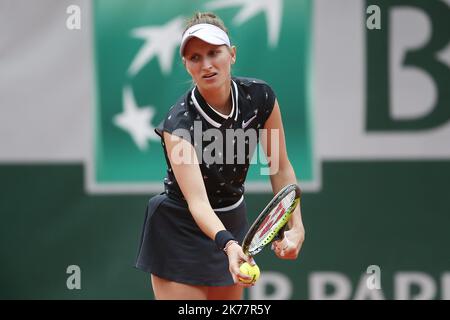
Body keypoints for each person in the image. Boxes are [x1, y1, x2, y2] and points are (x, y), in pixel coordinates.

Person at [135, 12, 305, 300]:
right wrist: (228, 245)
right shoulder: (178, 124)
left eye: (214, 53)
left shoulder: (260, 98)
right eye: (195, 58)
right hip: (181, 228)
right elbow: (198, 202)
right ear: (186, 65)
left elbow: (279, 167)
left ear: (232, 54)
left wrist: (296, 227)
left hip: (232, 219)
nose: (206, 64)